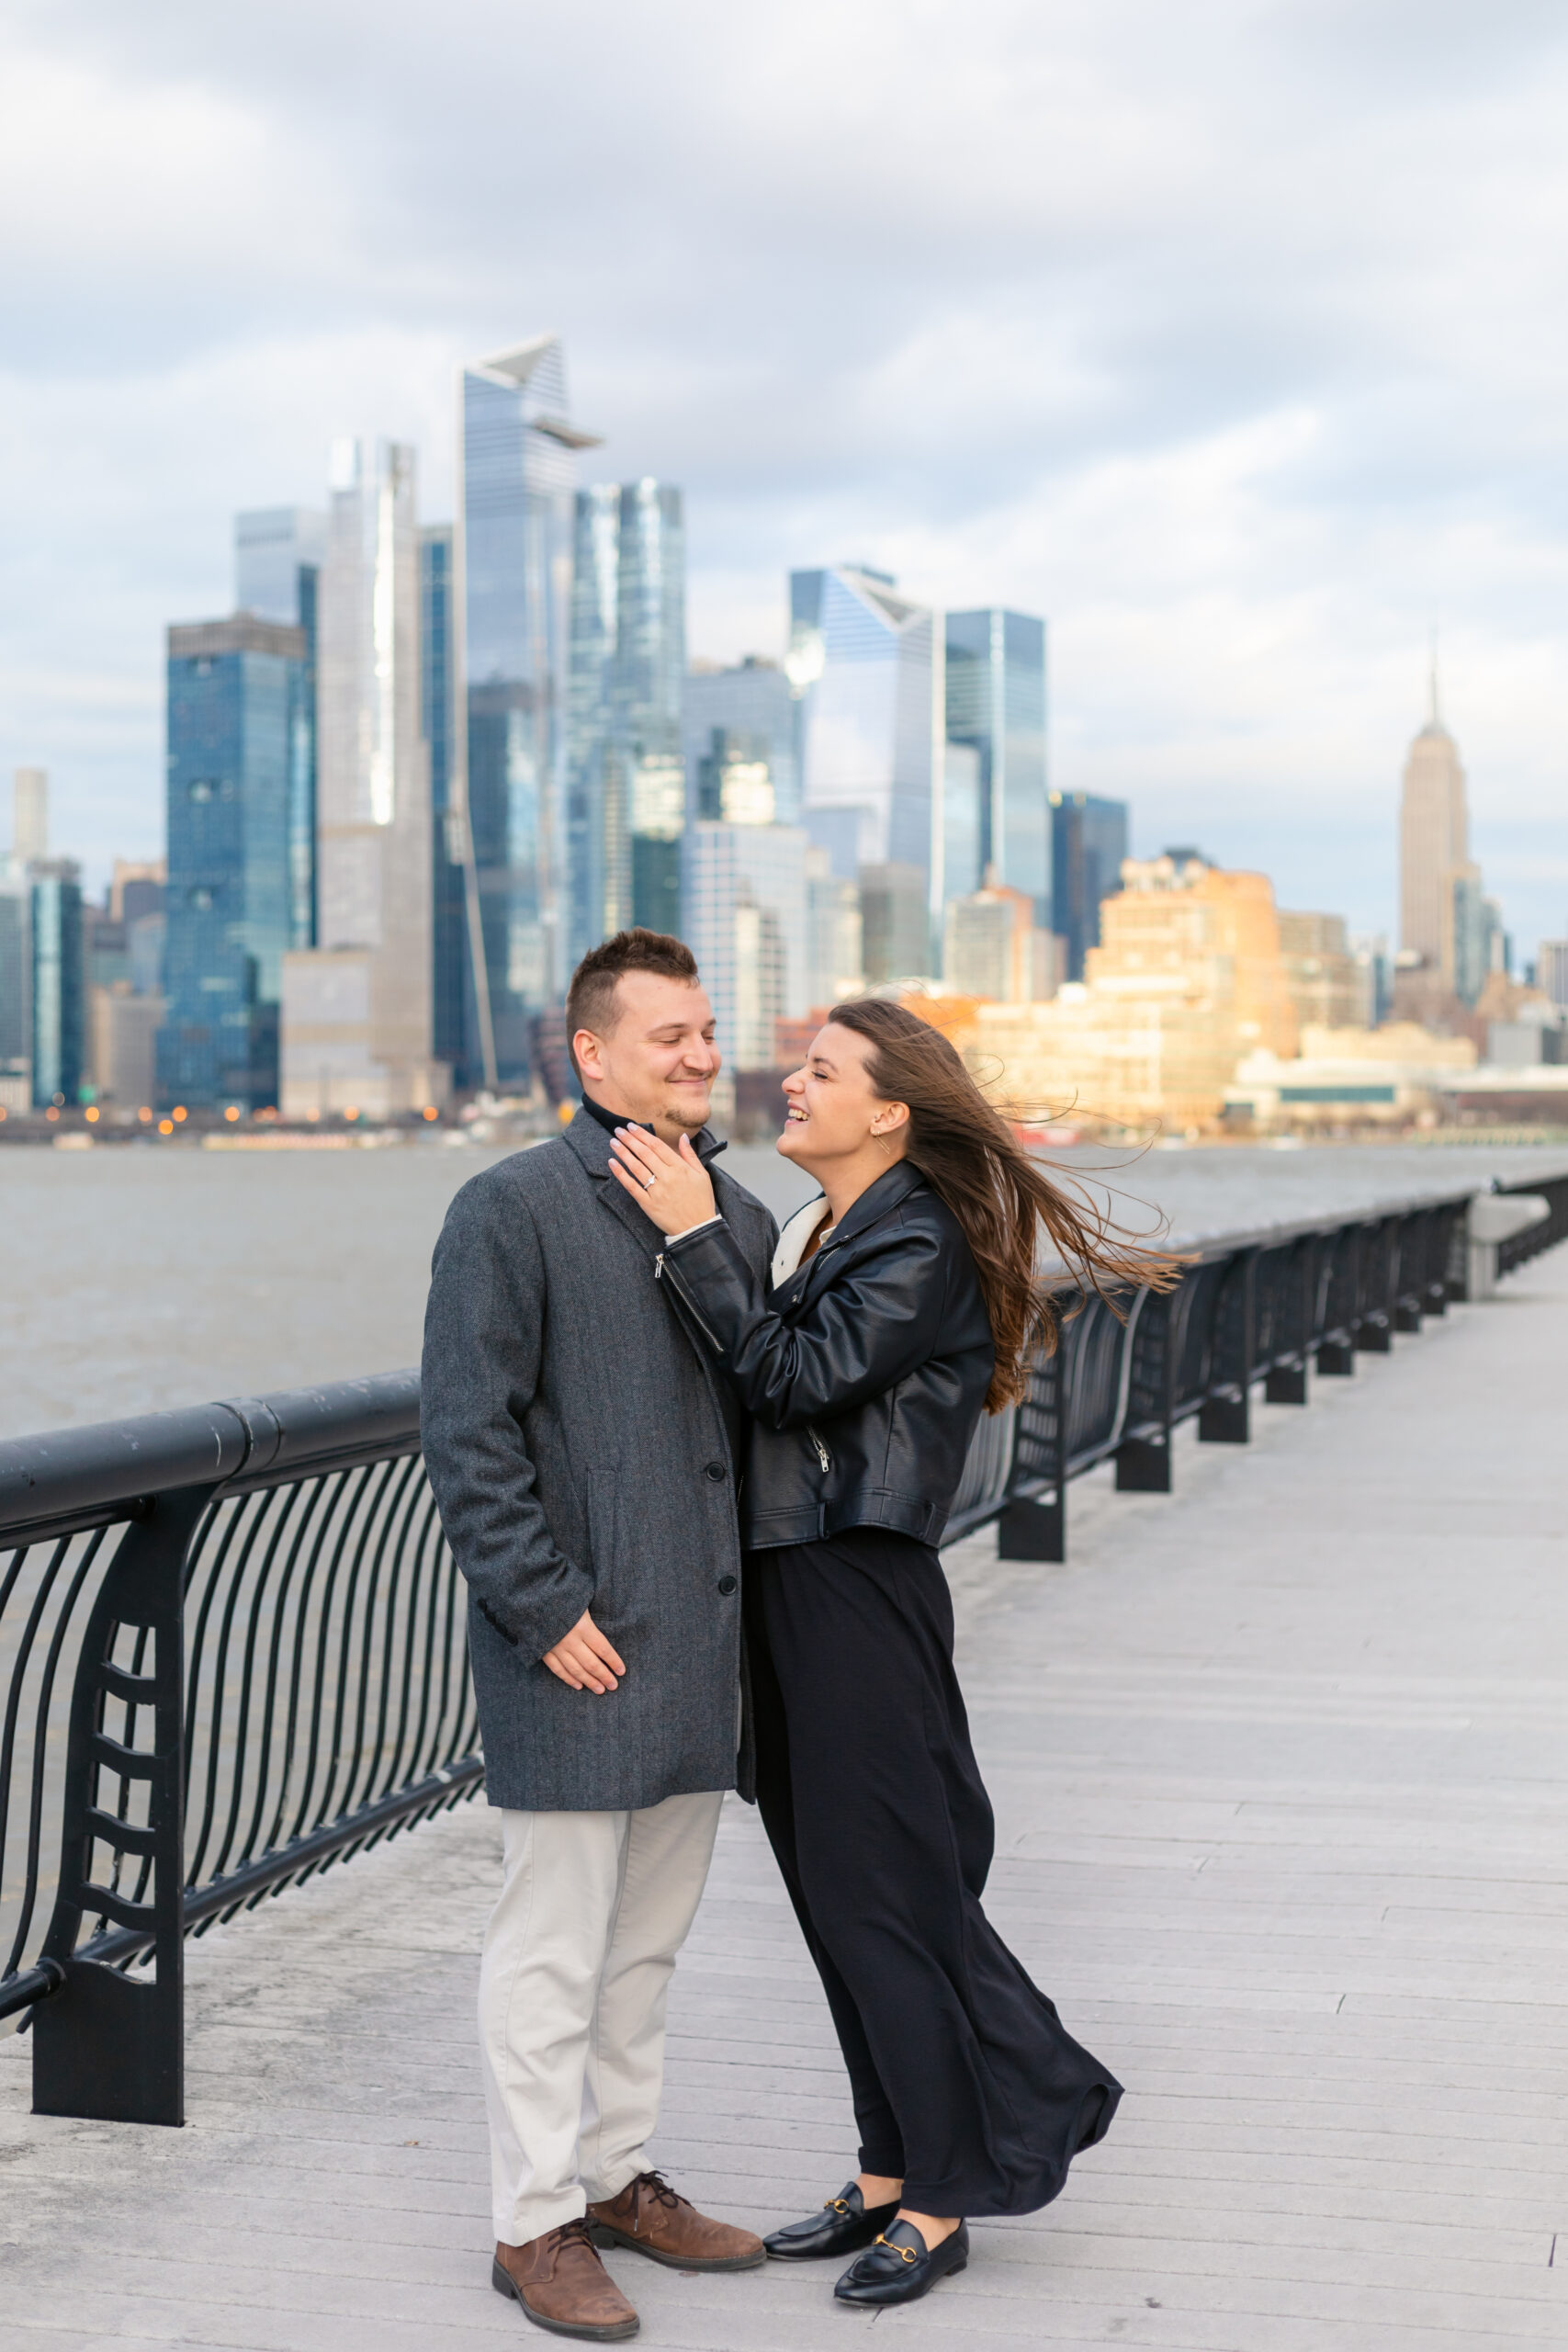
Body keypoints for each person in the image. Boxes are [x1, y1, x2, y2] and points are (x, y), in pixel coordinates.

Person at [606, 994, 1180, 2312]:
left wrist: (696, 1235)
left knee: (886, 1898)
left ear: (891, 1112)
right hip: (798, 1590)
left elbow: (795, 1381)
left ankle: (945, 2194)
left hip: (855, 1592)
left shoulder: (912, 1238)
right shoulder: (846, 1227)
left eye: (821, 1072)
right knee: (833, 1897)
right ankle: (885, 2169)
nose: (789, 1086)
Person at [422, 929, 777, 2344]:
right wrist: (545, 1606)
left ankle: (621, 2176)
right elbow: (467, 1432)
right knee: (551, 1950)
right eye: (667, 1037)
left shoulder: (736, 1217)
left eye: (706, 1032)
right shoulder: (508, 1209)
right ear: (592, 1053)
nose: (699, 1055)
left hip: (702, 1647)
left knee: (646, 1949)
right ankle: (532, 2224)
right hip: (576, 1646)